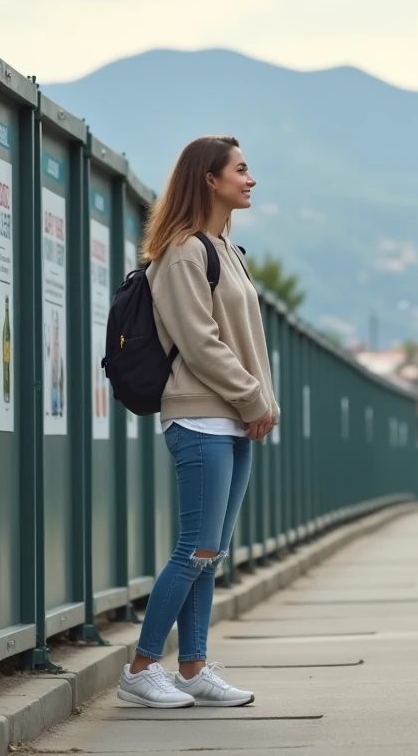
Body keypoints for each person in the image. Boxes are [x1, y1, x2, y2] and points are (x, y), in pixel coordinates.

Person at [117, 135, 279, 709]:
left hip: (232, 419)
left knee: (211, 554)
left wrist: (259, 401)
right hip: (201, 417)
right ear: (210, 180)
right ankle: (140, 668)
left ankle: (192, 667)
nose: (250, 178)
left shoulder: (225, 249)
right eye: (241, 169)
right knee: (196, 550)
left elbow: (247, 341)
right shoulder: (185, 251)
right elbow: (200, 343)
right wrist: (253, 399)